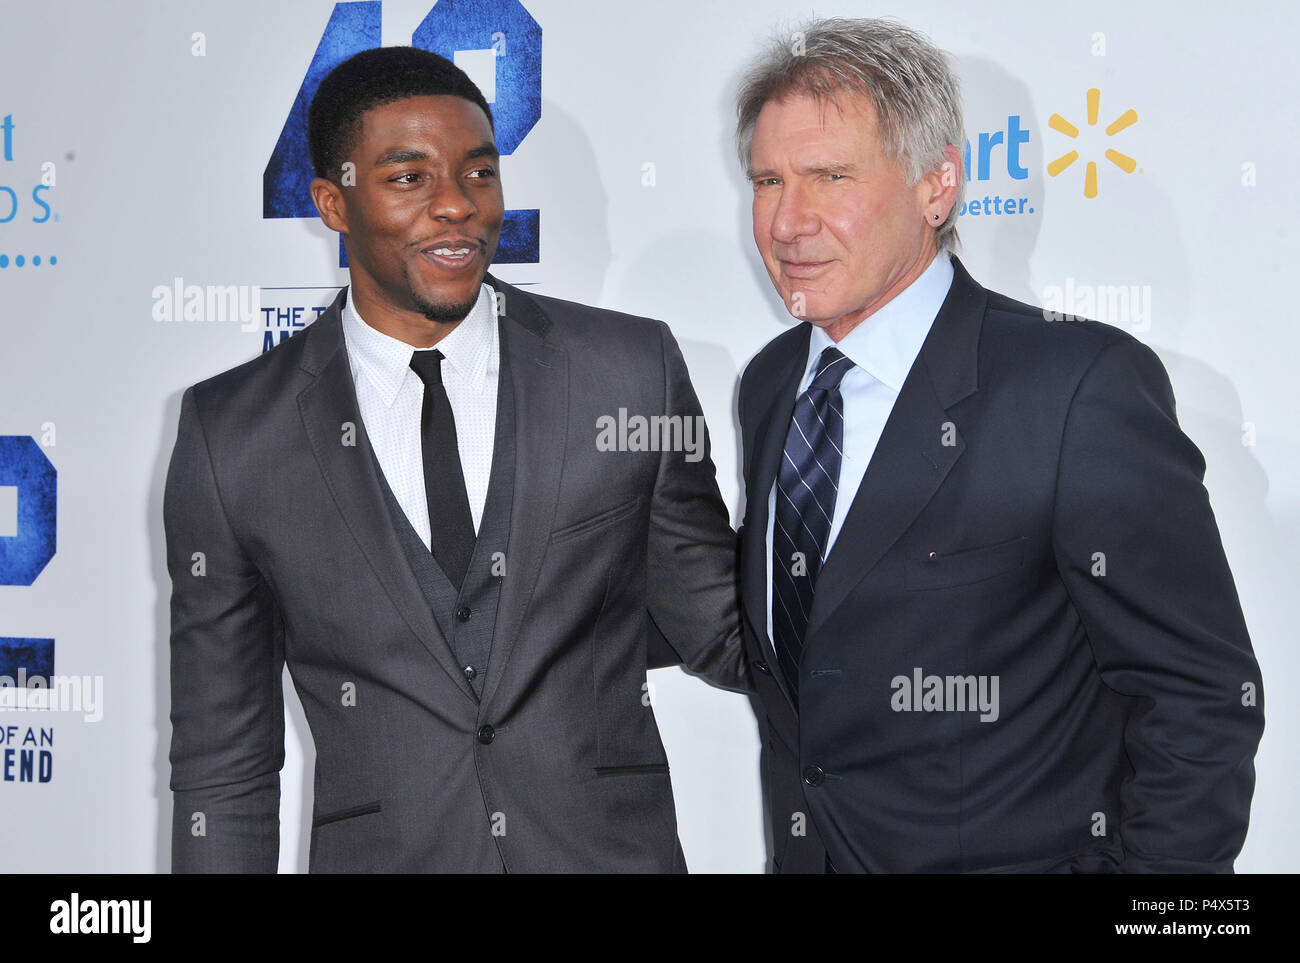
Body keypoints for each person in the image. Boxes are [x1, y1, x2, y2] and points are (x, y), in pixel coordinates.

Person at [165, 46, 748, 873]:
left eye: (479, 174)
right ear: (334, 201)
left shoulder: (626, 372)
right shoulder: (234, 434)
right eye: (408, 178)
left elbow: (727, 630)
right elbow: (225, 763)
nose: (456, 207)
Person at [733, 17, 1264, 873]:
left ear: (936, 187)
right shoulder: (770, 386)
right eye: (767, 180)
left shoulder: (1076, 386)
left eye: (830, 176)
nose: (789, 222)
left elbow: (1200, 701)